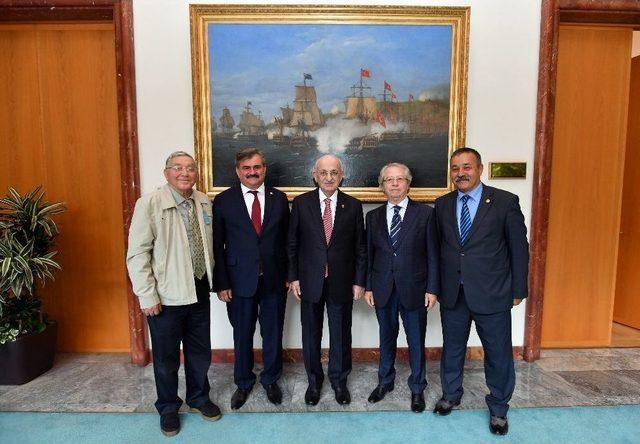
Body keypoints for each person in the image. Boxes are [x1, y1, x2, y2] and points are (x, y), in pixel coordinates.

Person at [433, 147, 529, 436]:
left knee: (498, 353)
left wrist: (518, 289)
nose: (460, 173)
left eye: (466, 167)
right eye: (455, 168)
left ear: (480, 168)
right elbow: (438, 251)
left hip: (493, 292)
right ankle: (451, 394)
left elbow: (519, 250)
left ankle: (499, 407)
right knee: (452, 349)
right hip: (453, 293)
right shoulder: (442, 204)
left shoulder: (504, 202)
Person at [126, 151, 220, 437]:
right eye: (178, 168)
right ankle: (168, 407)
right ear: (166, 173)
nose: (185, 173)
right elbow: (137, 253)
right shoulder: (150, 204)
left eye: (190, 168)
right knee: (166, 358)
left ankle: (198, 398)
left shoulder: (203, 200)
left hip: (199, 289)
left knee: (200, 352)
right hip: (166, 296)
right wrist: (147, 296)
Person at [212, 148, 289, 410]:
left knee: (273, 333)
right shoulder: (223, 201)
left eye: (257, 167)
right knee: (242, 335)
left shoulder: (279, 199)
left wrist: (291, 276)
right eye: (246, 168)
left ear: (264, 169)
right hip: (237, 282)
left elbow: (287, 242)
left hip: (274, 280)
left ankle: (270, 379)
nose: (252, 172)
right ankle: (243, 383)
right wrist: (221, 283)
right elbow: (217, 246)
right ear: (238, 171)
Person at [287, 154, 366, 406]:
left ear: (342, 175)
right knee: (311, 334)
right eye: (324, 172)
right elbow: (292, 244)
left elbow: (360, 248)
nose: (329, 177)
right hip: (309, 281)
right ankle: (314, 382)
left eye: (334, 172)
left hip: (342, 283)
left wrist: (359, 281)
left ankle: (339, 381)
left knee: (341, 334)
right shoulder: (301, 203)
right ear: (315, 175)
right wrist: (294, 278)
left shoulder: (353, 206)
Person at [364, 163, 439, 413]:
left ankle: (417, 388)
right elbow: (368, 254)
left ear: (408, 183)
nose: (394, 184)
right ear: (382, 186)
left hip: (416, 288)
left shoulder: (426, 214)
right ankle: (385, 381)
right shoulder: (372, 217)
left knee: (416, 340)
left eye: (400, 179)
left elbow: (433, 255)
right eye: (389, 180)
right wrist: (368, 287)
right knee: (387, 338)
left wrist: (432, 288)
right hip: (383, 287)